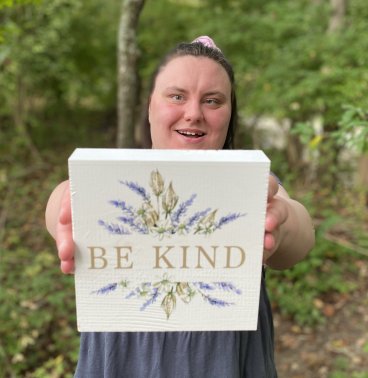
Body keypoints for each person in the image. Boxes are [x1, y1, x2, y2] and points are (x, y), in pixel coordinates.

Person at [45, 36, 315, 377]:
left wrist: (283, 219)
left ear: (230, 114)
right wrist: (65, 208)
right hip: (122, 363)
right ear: (150, 105)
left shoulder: (250, 183)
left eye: (212, 101)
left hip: (224, 364)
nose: (193, 114)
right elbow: (61, 200)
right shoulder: (112, 176)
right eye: (177, 96)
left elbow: (299, 235)